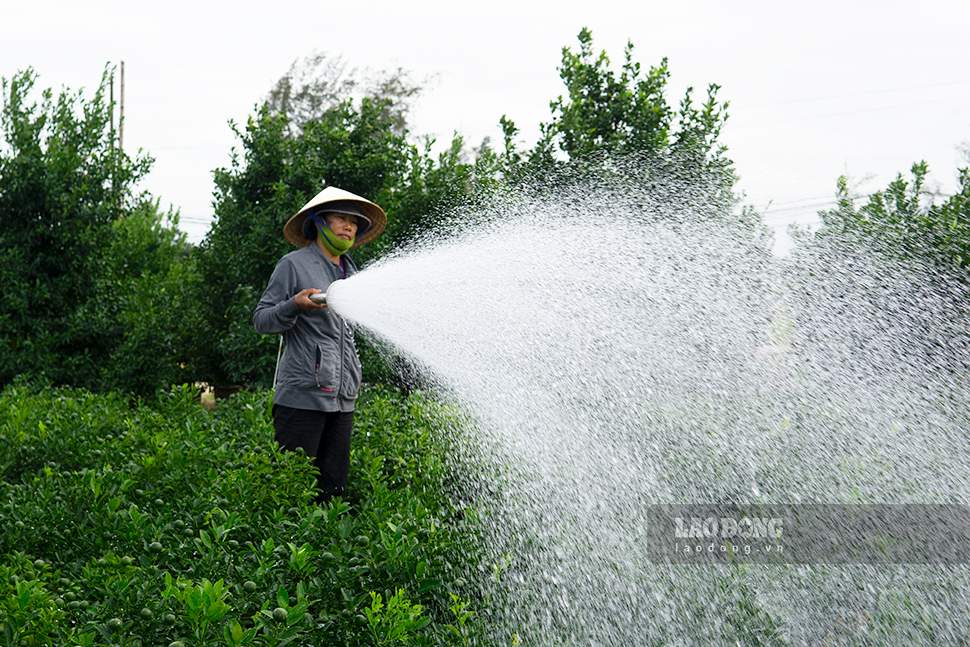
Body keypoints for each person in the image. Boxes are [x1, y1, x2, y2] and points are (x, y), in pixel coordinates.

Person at [252, 186, 387, 503]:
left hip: (343, 399)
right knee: (294, 490)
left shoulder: (352, 273)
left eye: (354, 222)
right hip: (303, 397)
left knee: (333, 491)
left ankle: (324, 551)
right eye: (341, 218)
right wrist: (294, 306)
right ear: (318, 221)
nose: (349, 226)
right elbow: (261, 319)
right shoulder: (293, 265)